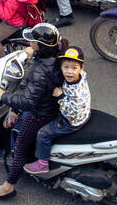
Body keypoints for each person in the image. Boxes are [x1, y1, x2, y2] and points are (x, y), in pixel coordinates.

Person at [0, 23, 65, 200]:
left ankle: (9, 186)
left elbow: (28, 102)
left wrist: (4, 96)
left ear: (40, 45)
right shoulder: (57, 54)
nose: (29, 43)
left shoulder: (40, 72)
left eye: (32, 41)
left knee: (21, 145)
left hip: (40, 113)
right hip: (52, 104)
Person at [24, 47, 91, 175]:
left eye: (74, 68)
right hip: (84, 113)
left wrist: (61, 96)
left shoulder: (77, 92)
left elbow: (71, 112)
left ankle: (42, 163)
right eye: (66, 67)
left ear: (81, 68)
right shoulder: (81, 76)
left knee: (43, 134)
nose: (69, 72)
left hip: (70, 121)